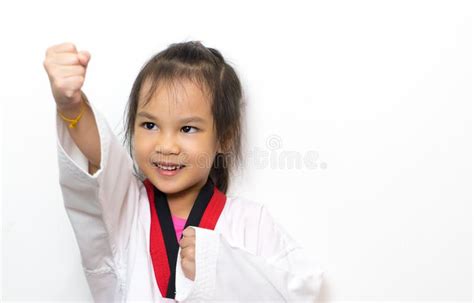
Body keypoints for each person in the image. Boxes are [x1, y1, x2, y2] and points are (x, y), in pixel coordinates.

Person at [43, 41, 325, 302]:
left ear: (225, 137)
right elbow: (100, 158)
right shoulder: (125, 209)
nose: (166, 145)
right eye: (149, 125)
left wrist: (218, 263)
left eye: (188, 128)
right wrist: (70, 105)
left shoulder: (252, 222)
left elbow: (302, 290)